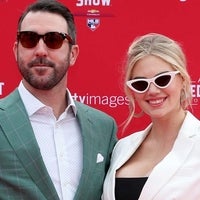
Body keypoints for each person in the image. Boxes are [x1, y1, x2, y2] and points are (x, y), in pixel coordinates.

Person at [0, 0, 118, 199]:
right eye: (29, 39)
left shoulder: (103, 128)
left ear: (73, 54)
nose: (40, 50)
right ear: (16, 50)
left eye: (53, 40)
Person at [102, 33, 200, 200]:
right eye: (140, 84)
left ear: (183, 80)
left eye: (162, 79)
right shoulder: (122, 149)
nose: (152, 90)